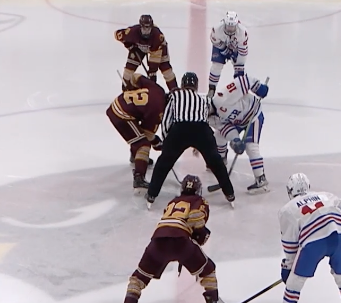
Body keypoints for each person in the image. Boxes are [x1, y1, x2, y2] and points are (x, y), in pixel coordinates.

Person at [111, 175, 225, 303]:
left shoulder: (173, 202)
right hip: (181, 242)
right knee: (208, 270)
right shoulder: (200, 201)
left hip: (158, 241)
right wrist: (201, 234)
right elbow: (196, 219)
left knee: (139, 277)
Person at [272, 173, 341, 303]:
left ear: (290, 191)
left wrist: (289, 267)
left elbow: (290, 244)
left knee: (295, 281)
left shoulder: (287, 210)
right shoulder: (326, 196)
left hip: (313, 243)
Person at [145, 72, 235, 207]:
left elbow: (167, 119)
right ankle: (230, 194)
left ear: (182, 85)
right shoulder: (204, 100)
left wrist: (166, 142)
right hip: (202, 130)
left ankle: (152, 195)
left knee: (163, 163)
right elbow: (206, 118)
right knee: (216, 162)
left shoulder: (174, 96)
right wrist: (200, 145)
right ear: (196, 86)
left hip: (180, 130)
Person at [209, 70, 269, 194]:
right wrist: (235, 140)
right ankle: (221, 163)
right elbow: (226, 128)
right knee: (218, 137)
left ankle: (260, 178)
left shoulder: (223, 97)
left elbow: (244, 81)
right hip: (238, 122)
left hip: (253, 114)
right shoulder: (209, 119)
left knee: (251, 146)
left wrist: (258, 87)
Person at [107, 73, 166, 190]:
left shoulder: (158, 90)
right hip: (121, 114)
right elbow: (147, 134)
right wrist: (158, 144)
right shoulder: (158, 111)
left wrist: (129, 87)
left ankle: (135, 157)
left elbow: (136, 77)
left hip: (119, 104)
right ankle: (139, 177)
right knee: (143, 145)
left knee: (138, 136)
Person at [115, 14, 176, 91]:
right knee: (128, 70)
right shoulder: (132, 32)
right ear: (140, 27)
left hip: (159, 49)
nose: (146, 31)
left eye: (148, 28)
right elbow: (118, 34)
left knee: (166, 70)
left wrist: (152, 72)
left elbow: (155, 55)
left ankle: (175, 91)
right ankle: (126, 90)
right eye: (144, 28)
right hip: (139, 48)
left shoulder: (158, 37)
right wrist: (129, 46)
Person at [208, 11, 249, 97]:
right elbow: (215, 42)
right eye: (228, 26)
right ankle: (211, 89)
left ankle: (240, 90)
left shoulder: (243, 32)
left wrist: (239, 65)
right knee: (216, 66)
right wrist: (224, 50)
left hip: (236, 48)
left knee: (239, 70)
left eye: (232, 26)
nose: (230, 29)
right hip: (220, 46)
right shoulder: (216, 29)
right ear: (224, 23)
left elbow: (243, 52)